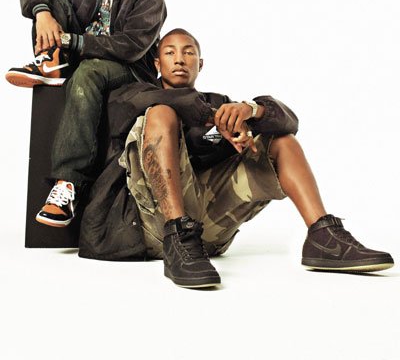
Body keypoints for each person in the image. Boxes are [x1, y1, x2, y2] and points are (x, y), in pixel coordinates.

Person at [93, 28, 393, 288]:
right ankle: (178, 235)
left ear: (201, 63)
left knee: (282, 142)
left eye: (189, 52)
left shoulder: (220, 104)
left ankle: (323, 237)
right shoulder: (135, 94)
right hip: (149, 227)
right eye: (170, 53)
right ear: (157, 63)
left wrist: (250, 110)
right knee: (161, 113)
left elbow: (289, 121)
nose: (180, 59)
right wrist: (209, 116)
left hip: (206, 233)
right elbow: (131, 107)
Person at [5, 0, 167, 228]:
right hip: (82, 58)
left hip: (130, 70)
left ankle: (67, 185)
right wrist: (42, 13)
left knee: (90, 71)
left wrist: (70, 41)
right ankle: (52, 62)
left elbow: (131, 46)